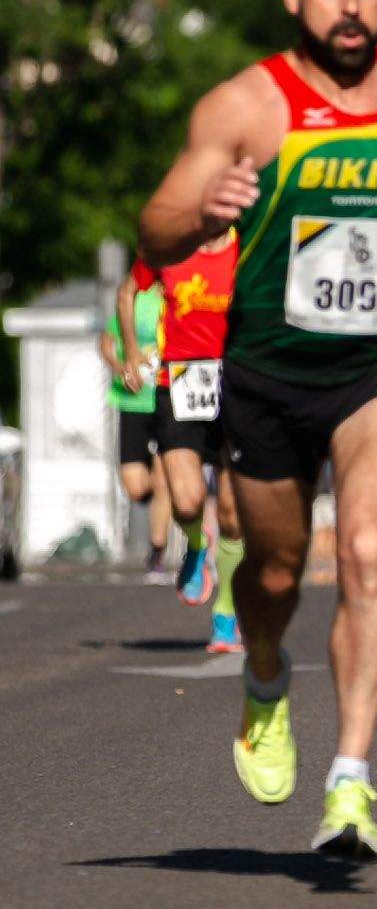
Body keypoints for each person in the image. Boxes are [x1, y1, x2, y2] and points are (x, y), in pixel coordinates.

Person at [136, 0, 377, 861]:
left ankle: (352, 783)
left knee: (369, 551)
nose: (352, 6)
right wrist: (202, 209)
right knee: (276, 574)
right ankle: (265, 675)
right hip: (269, 375)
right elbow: (154, 230)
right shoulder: (248, 106)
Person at [119, 232, 245, 651]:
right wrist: (132, 352)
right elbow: (128, 291)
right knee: (187, 501)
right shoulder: (170, 245)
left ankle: (226, 614)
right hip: (177, 384)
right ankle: (195, 542)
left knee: (232, 512)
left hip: (238, 385)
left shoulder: (248, 244)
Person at [102, 278, 170, 579]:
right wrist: (121, 367)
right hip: (132, 401)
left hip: (167, 400)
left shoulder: (182, 297)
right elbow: (106, 341)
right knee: (136, 486)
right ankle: (165, 487)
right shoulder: (134, 298)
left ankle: (156, 553)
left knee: (165, 476)